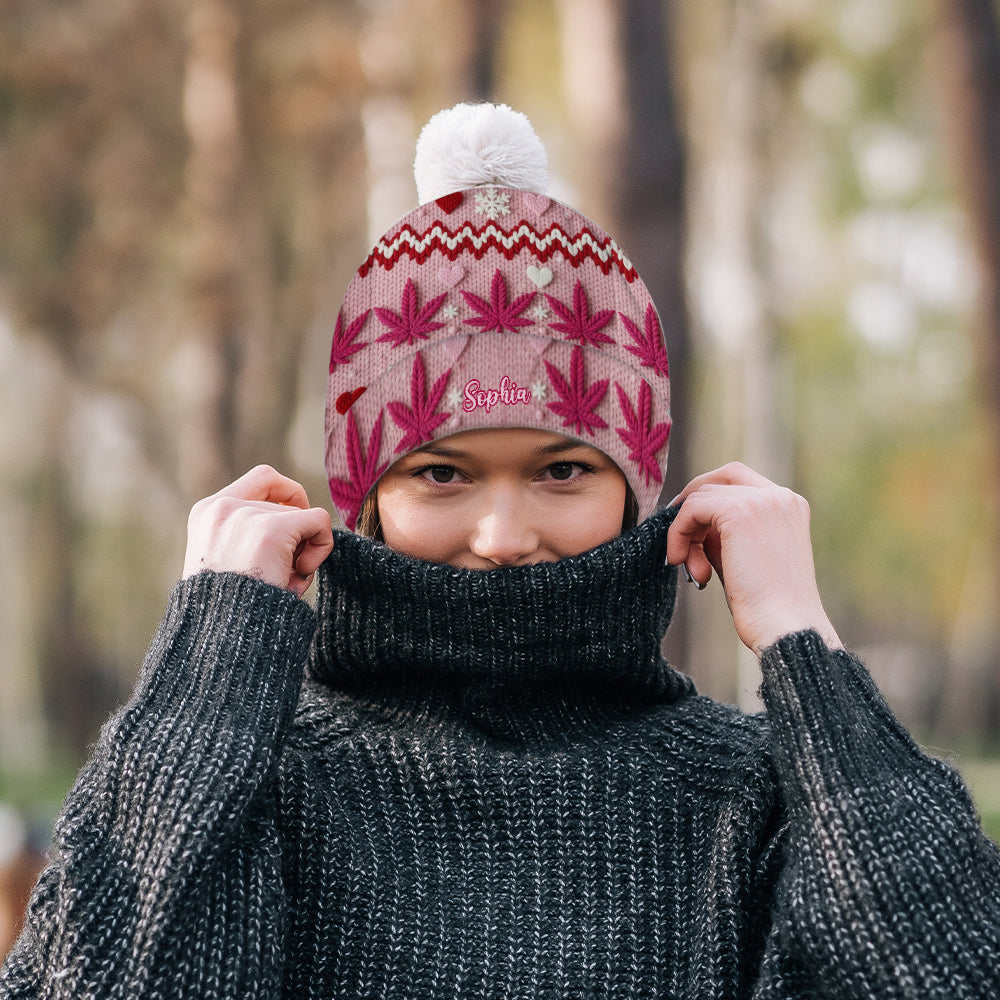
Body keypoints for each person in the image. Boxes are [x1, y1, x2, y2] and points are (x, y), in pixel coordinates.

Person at [2, 103, 998, 1000]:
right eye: (441, 473)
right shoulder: (261, 782)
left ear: (634, 487)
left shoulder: (749, 797)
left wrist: (803, 645)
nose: (504, 534)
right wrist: (201, 683)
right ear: (366, 497)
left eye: (563, 469)